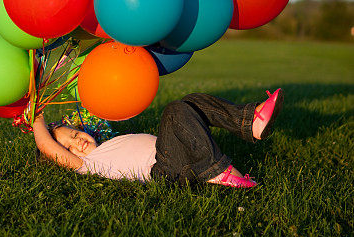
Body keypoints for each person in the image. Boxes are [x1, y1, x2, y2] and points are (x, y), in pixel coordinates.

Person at [32, 89, 284, 188]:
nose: (77, 142)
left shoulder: (108, 145)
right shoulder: (87, 165)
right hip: (164, 170)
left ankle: (250, 121)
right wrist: (36, 119)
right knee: (175, 110)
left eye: (75, 134)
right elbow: (46, 146)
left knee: (191, 102)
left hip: (174, 156)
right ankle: (214, 170)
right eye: (68, 148)